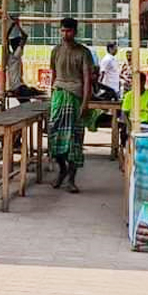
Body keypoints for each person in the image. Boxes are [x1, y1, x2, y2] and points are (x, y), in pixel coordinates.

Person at [48, 17, 92, 193]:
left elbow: (87, 79)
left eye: (69, 31)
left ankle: (71, 180)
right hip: (58, 96)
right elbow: (53, 75)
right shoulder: (55, 51)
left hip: (76, 97)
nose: (65, 34)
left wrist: (85, 103)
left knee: (75, 140)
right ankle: (62, 170)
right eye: (63, 30)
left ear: (75, 32)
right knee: (54, 137)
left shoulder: (84, 52)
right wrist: (52, 98)